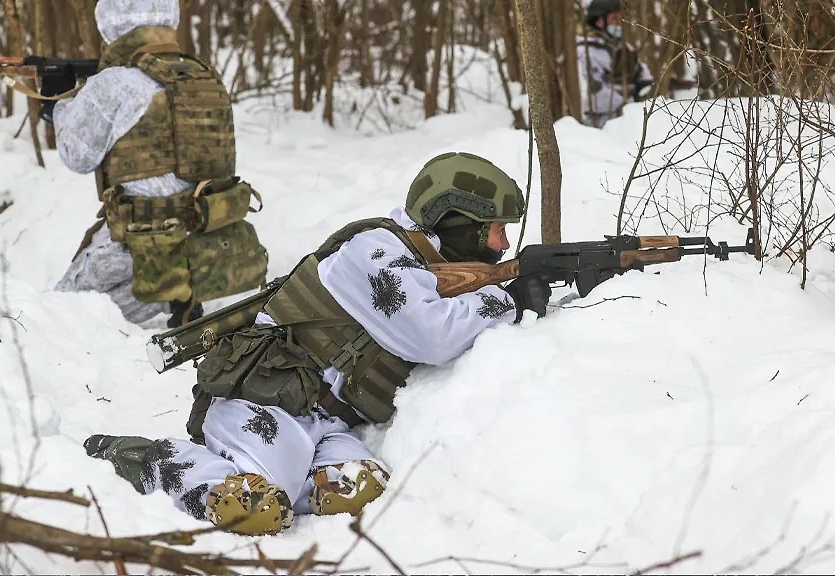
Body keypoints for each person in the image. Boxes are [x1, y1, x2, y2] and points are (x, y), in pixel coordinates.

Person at [83, 152, 553, 536]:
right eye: (496, 228)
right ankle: (142, 458)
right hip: (261, 406)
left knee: (360, 489)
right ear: (457, 221)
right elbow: (430, 334)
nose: (504, 242)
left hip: (328, 423)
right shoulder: (375, 252)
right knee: (251, 506)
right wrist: (506, 299)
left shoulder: (422, 263)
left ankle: (289, 481)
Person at [39, 0, 269, 329]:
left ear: (109, 21)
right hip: (207, 242)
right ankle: (176, 298)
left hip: (139, 243)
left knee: (55, 319)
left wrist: (56, 106)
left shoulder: (114, 83)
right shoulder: (201, 75)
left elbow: (77, 156)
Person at [576, 0, 655, 128]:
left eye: (621, 19)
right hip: (598, 123)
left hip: (631, 118)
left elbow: (645, 78)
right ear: (599, 21)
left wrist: (642, 90)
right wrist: (627, 103)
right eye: (614, 19)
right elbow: (593, 94)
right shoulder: (586, 51)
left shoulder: (626, 49)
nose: (619, 23)